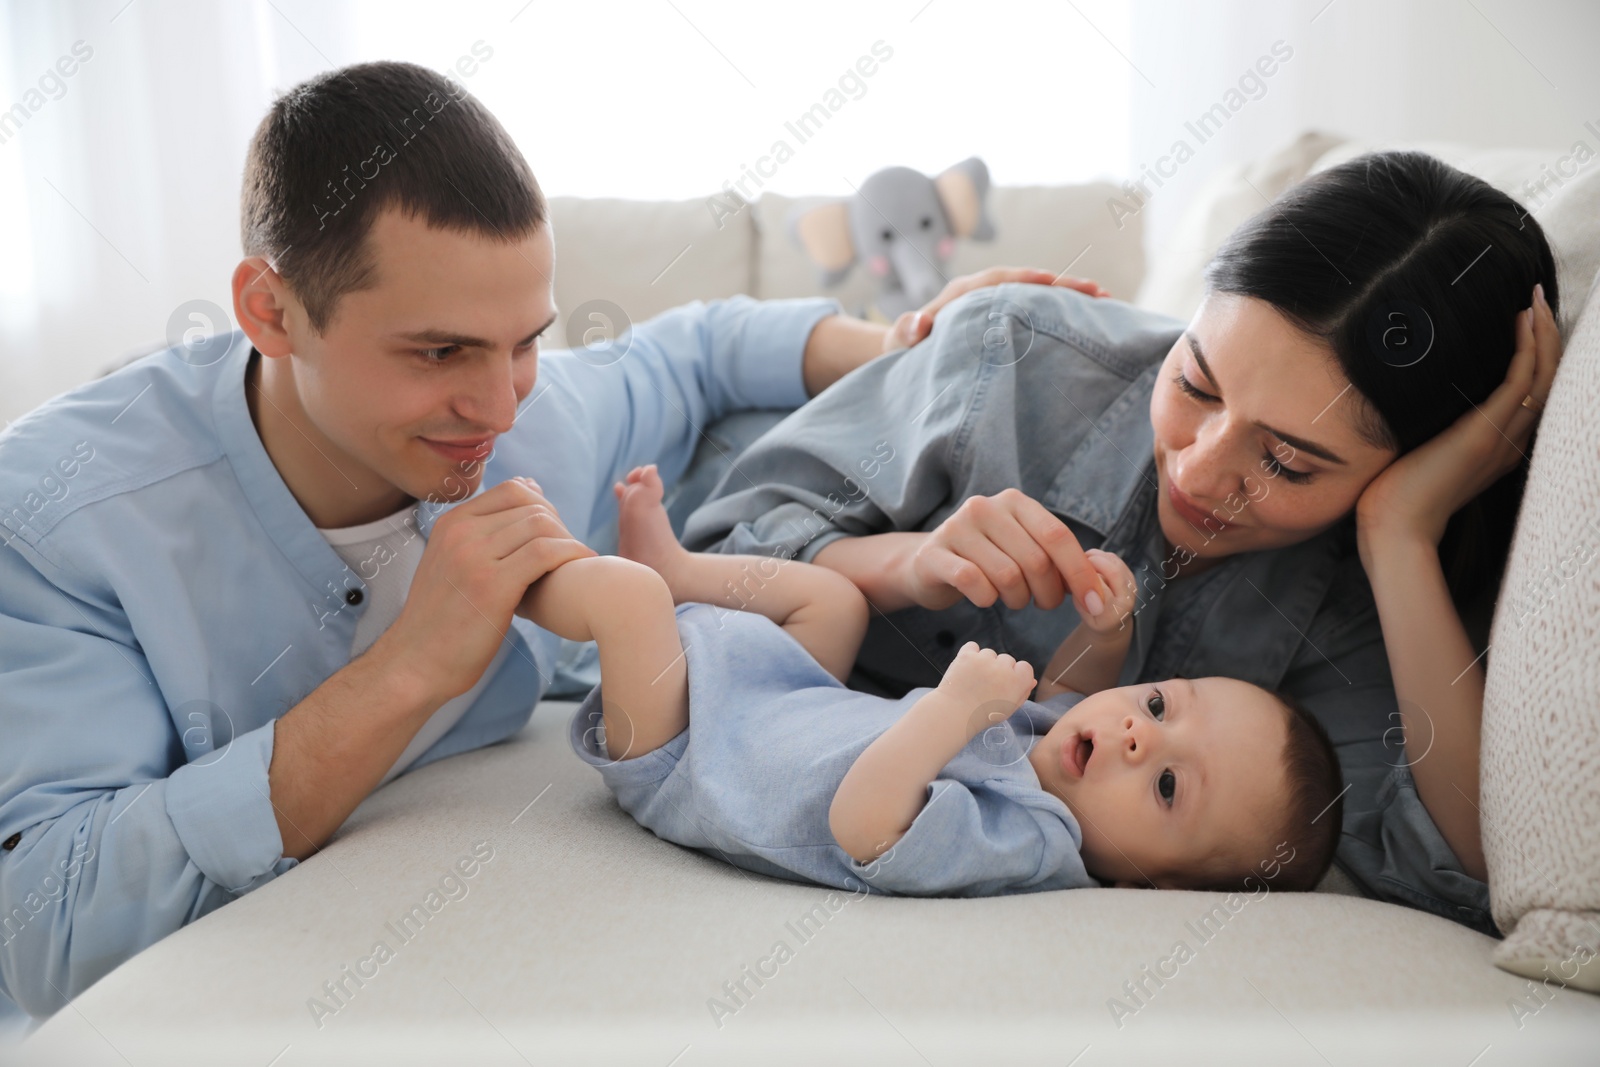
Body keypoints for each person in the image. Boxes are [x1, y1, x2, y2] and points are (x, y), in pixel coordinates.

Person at [0, 59, 1015, 1019]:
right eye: (438, 350)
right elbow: (46, 925)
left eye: (525, 340)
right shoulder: (58, 516)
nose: (495, 405)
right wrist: (409, 669)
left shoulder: (536, 417)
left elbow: (692, 349)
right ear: (271, 311)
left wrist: (904, 347)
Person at [683, 151, 1565, 933]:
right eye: (1195, 379)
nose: (1201, 467)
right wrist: (903, 564)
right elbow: (711, 550)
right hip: (664, 455)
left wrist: (1400, 537)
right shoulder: (1017, 356)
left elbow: (1469, 872)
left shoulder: (1364, 602)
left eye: (1289, 462)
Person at [548, 464, 1342, 895]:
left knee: (626, 599)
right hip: (786, 703)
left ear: (1155, 885)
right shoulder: (1051, 755)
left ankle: (503, 578)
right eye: (1161, 703)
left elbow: (864, 824)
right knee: (834, 596)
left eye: (1168, 785)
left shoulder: (1031, 841)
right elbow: (1070, 692)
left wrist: (956, 709)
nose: (1139, 733)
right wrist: (1107, 631)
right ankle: (681, 567)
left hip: (691, 759)